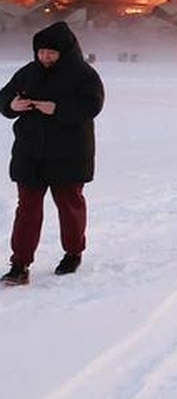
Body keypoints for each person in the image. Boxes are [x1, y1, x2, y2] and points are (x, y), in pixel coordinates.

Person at [1, 20, 105, 285]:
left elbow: (92, 106)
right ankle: (19, 264)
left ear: (64, 52)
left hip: (69, 154)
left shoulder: (84, 75)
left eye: (51, 52)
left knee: (69, 206)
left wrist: (57, 109)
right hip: (29, 153)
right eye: (41, 52)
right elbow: (4, 99)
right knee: (27, 210)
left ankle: (73, 253)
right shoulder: (28, 72)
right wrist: (12, 105)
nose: (45, 56)